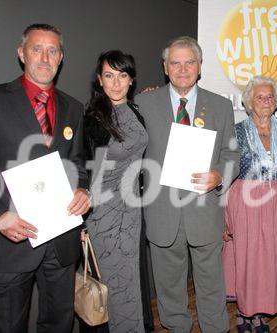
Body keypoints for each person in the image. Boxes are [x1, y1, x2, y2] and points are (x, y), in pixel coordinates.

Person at [0, 24, 90, 332]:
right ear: (21, 54)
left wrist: (83, 189)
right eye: (36, 49)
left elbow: (78, 162)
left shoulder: (73, 107)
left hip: (61, 241)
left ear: (61, 57)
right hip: (11, 244)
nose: (45, 58)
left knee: (59, 324)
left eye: (52, 50)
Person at [135, 36, 240, 332]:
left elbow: (232, 152)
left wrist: (219, 175)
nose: (183, 69)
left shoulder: (220, 106)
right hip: (161, 213)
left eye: (189, 62)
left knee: (211, 287)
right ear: (165, 68)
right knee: (169, 290)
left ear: (200, 66)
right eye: (175, 63)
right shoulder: (142, 104)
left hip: (204, 212)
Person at [222, 75, 277, 333]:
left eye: (270, 96)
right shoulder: (236, 131)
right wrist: (223, 216)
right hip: (245, 202)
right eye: (260, 97)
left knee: (268, 259)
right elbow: (224, 173)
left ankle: (259, 313)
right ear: (249, 102)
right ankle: (244, 314)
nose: (266, 101)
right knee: (247, 258)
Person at [83, 50, 153, 332]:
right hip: (104, 214)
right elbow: (90, 171)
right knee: (111, 289)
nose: (115, 83)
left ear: (131, 80)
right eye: (109, 75)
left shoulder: (135, 111)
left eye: (122, 75)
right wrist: (83, 221)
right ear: (99, 80)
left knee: (132, 285)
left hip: (132, 212)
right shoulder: (95, 118)